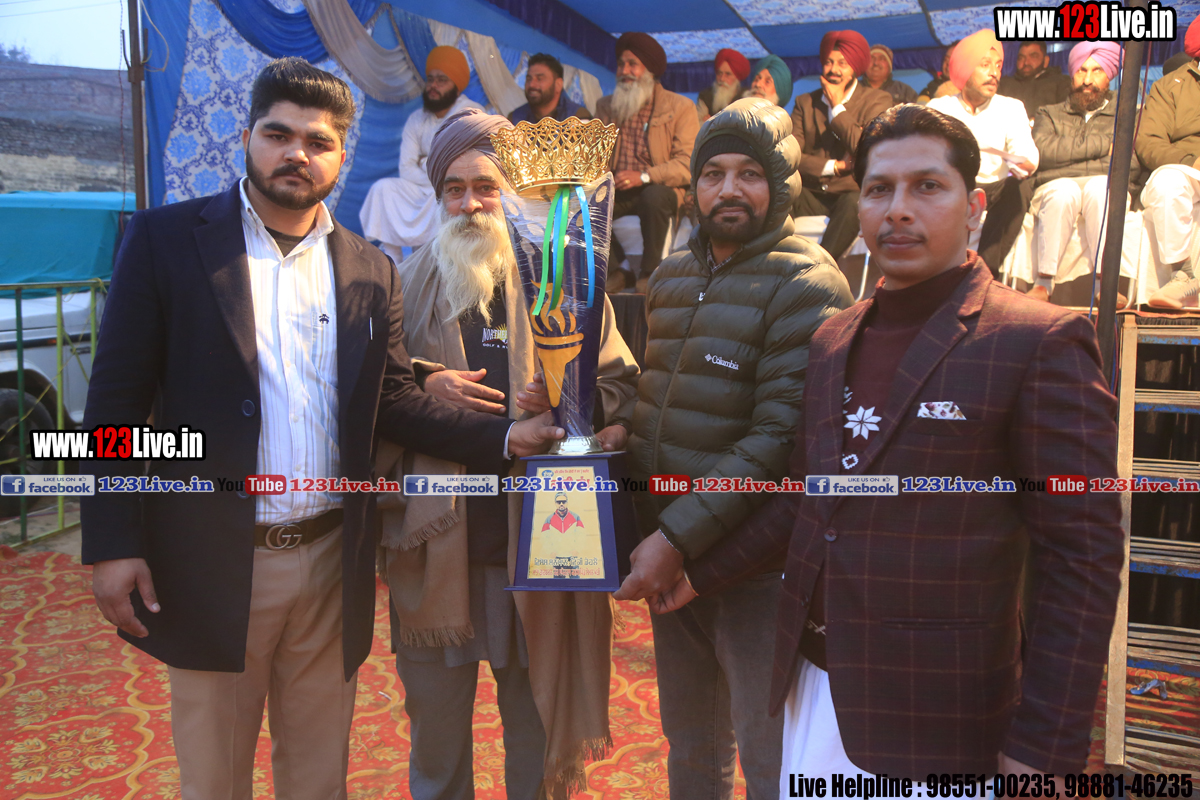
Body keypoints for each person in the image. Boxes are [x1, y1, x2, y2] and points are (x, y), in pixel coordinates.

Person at [80, 58, 564, 800]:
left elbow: (393, 399)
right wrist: (114, 542)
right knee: (215, 776)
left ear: (341, 156)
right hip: (215, 559)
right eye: (279, 135)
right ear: (247, 138)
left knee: (318, 777)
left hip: (333, 561)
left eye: (318, 142)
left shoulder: (368, 268)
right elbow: (114, 408)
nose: (297, 154)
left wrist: (506, 440)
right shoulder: (167, 241)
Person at [656, 103, 1124, 784]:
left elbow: (1082, 559)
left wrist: (1045, 747)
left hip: (944, 714)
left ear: (975, 207)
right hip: (814, 687)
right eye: (879, 189)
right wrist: (696, 573)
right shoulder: (834, 338)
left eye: (927, 186)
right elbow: (807, 500)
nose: (898, 209)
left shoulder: (1037, 341)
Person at [376, 108, 638, 800]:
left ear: (513, 191)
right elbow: (372, 401)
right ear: (438, 197)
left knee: (537, 734)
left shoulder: (567, 279)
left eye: (486, 187)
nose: (471, 204)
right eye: (454, 189)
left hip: (541, 546)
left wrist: (569, 402)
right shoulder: (400, 285)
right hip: (438, 554)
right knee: (436, 746)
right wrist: (425, 381)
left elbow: (620, 389)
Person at [612, 97, 853, 800]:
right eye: (713, 173)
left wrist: (676, 539)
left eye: (750, 174)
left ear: (781, 184)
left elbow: (778, 438)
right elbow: (659, 400)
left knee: (768, 752)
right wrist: (612, 437)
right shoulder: (671, 277)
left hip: (754, 568)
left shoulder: (808, 281)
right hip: (669, 549)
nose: (728, 189)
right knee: (691, 743)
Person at [929, 28, 1039, 274]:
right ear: (966, 69)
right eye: (985, 65)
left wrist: (1016, 160)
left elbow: (1028, 158)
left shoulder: (1011, 107)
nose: (994, 73)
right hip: (954, 186)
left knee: (1020, 187)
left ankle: (985, 273)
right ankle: (947, 272)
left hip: (993, 190)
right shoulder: (940, 108)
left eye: (998, 66)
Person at [596, 32, 699, 293]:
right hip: (617, 188)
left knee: (653, 197)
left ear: (650, 70)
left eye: (633, 64)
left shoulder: (680, 107)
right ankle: (620, 270)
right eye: (621, 64)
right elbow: (595, 158)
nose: (624, 71)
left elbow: (687, 164)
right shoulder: (606, 107)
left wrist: (644, 176)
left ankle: (650, 272)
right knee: (581, 202)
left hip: (660, 187)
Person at [359, 46, 482, 262]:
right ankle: (393, 259)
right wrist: (432, 171)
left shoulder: (470, 115)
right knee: (383, 189)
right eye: (431, 79)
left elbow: (463, 166)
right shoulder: (417, 118)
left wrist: (427, 165)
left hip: (452, 188)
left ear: (456, 87)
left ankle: (435, 262)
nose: (434, 86)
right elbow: (406, 168)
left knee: (443, 197)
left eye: (442, 80)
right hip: (423, 186)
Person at [1028, 42, 1126, 302]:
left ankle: (1105, 284)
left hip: (1103, 182)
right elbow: (1043, 153)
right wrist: (1104, 146)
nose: (1088, 80)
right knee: (1064, 190)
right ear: (1072, 74)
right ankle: (1043, 282)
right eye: (1082, 70)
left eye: (1097, 71)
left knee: (1100, 188)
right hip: (1056, 183)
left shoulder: (1124, 114)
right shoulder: (1049, 113)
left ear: (1109, 76)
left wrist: (1067, 158)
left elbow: (1130, 161)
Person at [791, 30, 892, 260]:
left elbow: (868, 149)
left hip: (850, 192)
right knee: (779, 191)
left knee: (855, 203)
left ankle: (820, 269)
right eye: (828, 62)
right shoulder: (805, 102)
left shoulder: (877, 100)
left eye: (842, 63)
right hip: (810, 192)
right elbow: (792, 156)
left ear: (855, 67)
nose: (833, 70)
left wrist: (837, 107)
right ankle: (767, 265)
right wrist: (836, 166)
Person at [1135, 17, 1200, 308]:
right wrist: (1192, 161)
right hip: (1190, 170)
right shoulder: (1169, 87)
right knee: (1166, 182)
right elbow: (1149, 142)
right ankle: (1183, 276)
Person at [508, 52, 592, 124]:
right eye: (528, 79)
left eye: (540, 79)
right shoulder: (515, 119)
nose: (532, 84)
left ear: (558, 84)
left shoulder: (578, 116)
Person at [998, 41, 1071, 120]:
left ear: (1046, 61)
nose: (1026, 62)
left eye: (1033, 56)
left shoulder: (1061, 83)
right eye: (1021, 58)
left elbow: (1066, 117)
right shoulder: (1004, 85)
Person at [698, 48, 750, 121]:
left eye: (728, 74)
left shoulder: (746, 97)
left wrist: (712, 123)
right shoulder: (705, 96)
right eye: (719, 73)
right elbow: (697, 122)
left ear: (737, 77)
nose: (722, 79)